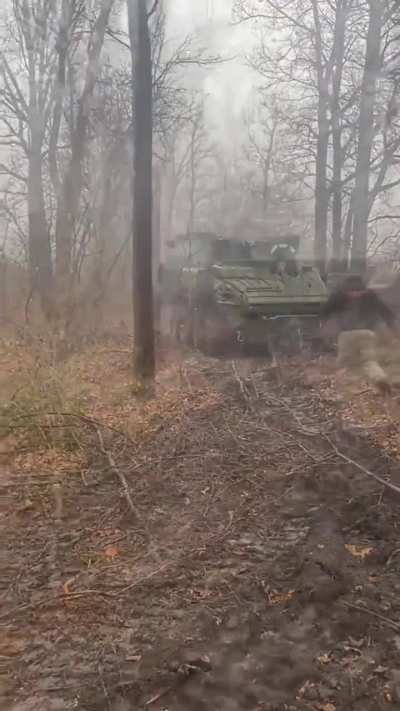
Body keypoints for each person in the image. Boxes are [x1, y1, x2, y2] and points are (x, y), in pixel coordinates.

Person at [320, 275, 396, 393]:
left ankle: (351, 391)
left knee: (345, 364)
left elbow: (325, 311)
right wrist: (392, 326)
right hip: (368, 333)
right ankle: (379, 378)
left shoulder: (338, 295)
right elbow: (385, 311)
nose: (355, 294)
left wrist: (323, 325)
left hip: (347, 334)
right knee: (369, 361)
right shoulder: (370, 295)